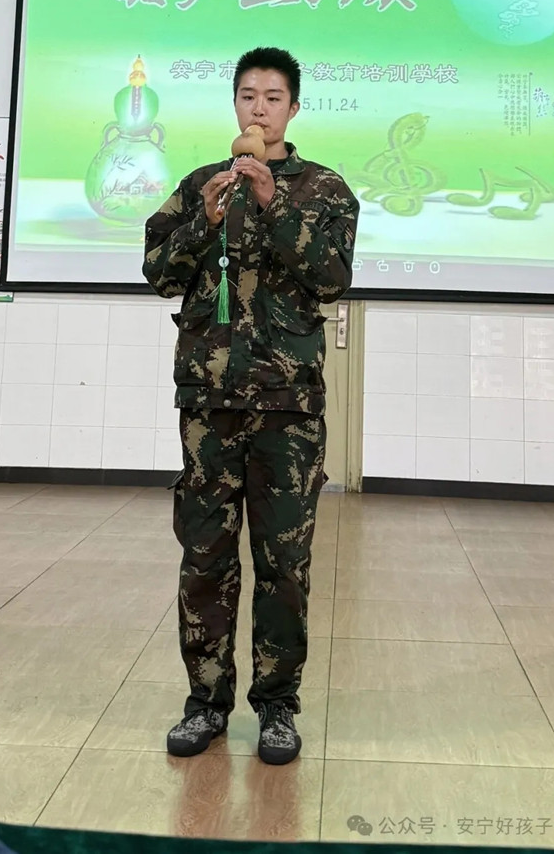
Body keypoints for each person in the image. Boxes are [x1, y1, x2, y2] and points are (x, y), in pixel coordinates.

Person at [142, 46, 359, 765]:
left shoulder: (325, 190)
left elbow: (332, 277)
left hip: (287, 409)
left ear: (293, 108)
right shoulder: (201, 184)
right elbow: (157, 272)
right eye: (247, 96)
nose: (258, 109)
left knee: (283, 563)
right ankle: (205, 704)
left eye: (272, 97)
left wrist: (274, 204)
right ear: (234, 104)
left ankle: (276, 708)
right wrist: (203, 223)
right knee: (204, 557)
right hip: (209, 404)